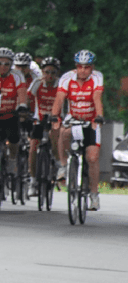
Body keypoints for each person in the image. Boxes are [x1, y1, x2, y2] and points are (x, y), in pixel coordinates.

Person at [51, 50, 104, 210]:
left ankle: (94, 195)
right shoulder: (67, 78)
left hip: (91, 119)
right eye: (80, 67)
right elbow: (59, 99)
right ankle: (63, 165)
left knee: (92, 157)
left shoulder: (97, 77)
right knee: (63, 131)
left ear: (92, 68)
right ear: (76, 66)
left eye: (87, 67)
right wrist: (55, 116)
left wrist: (99, 116)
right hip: (74, 117)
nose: (83, 70)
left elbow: (97, 97)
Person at [0, 47, 29, 189]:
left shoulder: (17, 75)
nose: (2, 67)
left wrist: (23, 105)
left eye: (6, 64)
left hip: (10, 113)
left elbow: (22, 93)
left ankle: (12, 160)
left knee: (14, 139)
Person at [27, 56, 62, 194]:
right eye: (47, 72)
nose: (49, 75)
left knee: (54, 141)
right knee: (32, 148)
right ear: (42, 72)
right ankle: (33, 181)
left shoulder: (60, 85)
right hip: (39, 118)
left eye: (53, 73)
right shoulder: (37, 83)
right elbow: (27, 99)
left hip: (56, 119)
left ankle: (58, 165)